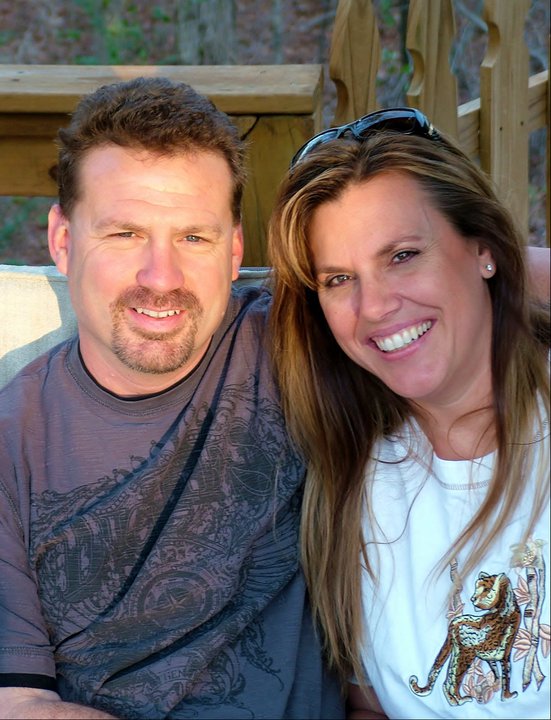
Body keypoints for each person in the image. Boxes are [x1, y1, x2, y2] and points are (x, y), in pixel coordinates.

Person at [0, 77, 344, 719]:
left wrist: (491, 258)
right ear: (63, 241)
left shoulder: (302, 343)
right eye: (125, 234)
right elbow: (18, 702)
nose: (161, 278)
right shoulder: (10, 442)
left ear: (235, 250)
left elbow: (455, 288)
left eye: (193, 238)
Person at [268, 108, 550, 719]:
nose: (374, 306)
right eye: (338, 279)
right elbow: (370, 703)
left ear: (484, 249)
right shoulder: (345, 475)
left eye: (402, 255)